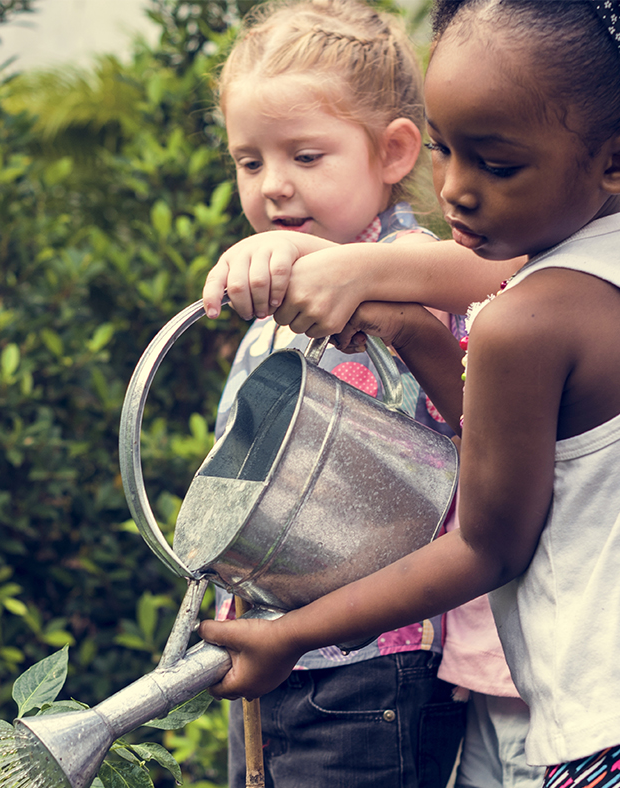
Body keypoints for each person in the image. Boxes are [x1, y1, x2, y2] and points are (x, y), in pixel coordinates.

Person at [199, 1, 620, 785]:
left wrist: (293, 636)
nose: (455, 191)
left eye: (498, 164)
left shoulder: (525, 322)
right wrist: (412, 331)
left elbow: (488, 545)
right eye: (448, 151)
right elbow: (521, 446)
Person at [205, 2, 466, 786]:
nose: (274, 187)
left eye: (306, 156)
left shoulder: (415, 263)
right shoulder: (274, 303)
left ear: (391, 153)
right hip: (276, 652)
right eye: (249, 162)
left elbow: (471, 422)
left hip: (372, 664)